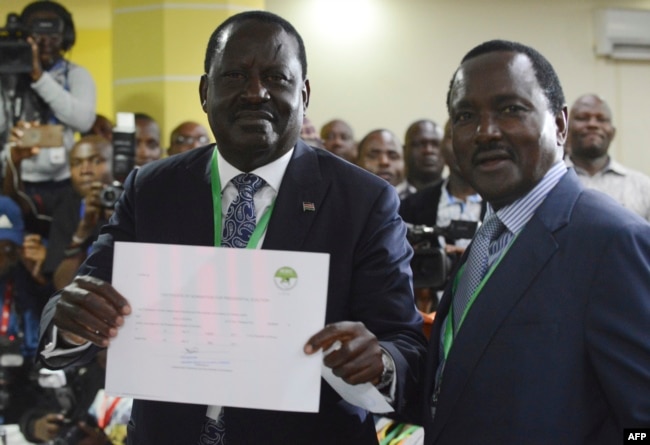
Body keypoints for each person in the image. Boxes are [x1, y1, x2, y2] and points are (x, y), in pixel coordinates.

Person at [38, 10, 426, 445]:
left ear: (305, 92)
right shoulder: (152, 189)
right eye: (235, 76)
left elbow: (404, 345)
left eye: (276, 77)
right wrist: (71, 321)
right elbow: (80, 303)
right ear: (206, 92)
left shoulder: (362, 200)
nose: (255, 93)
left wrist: (379, 361)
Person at [421, 40, 650, 444]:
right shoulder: (489, 235)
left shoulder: (612, 240)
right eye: (466, 115)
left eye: (511, 109)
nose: (485, 132)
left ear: (560, 125)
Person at [1, 1, 96, 215]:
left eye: (54, 36)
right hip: (10, 179)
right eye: (37, 36)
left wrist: (39, 77)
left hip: (62, 183)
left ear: (66, 38)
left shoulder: (76, 75)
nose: (45, 43)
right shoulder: (5, 76)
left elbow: (84, 120)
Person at [399, 120, 483, 312]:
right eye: (454, 136)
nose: (463, 144)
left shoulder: (505, 205)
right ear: (443, 146)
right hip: (425, 317)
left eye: (473, 137)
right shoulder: (410, 207)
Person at [38, 135, 113, 290]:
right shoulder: (66, 207)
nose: (85, 170)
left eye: (96, 161)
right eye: (76, 163)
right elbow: (62, 286)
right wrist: (81, 234)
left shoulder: (134, 202)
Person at [565, 93, 650, 221]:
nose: (592, 124)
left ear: (613, 133)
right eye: (582, 118)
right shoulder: (549, 182)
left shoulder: (642, 186)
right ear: (565, 130)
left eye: (601, 119)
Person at [357, 128, 413, 199]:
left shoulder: (423, 203)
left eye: (393, 156)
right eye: (373, 156)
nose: (384, 162)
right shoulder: (345, 201)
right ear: (357, 161)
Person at [403, 120, 445, 191]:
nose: (428, 151)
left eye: (436, 144)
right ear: (404, 151)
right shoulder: (390, 197)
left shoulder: (458, 195)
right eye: (420, 144)